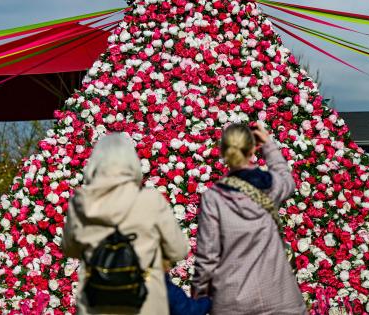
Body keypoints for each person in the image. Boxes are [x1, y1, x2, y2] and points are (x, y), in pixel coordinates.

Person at [62, 133, 189, 315]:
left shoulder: (81, 203)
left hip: (95, 304)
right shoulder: (150, 200)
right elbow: (178, 250)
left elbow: (70, 249)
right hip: (145, 305)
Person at [192, 123, 307, 315]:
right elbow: (286, 177)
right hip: (278, 297)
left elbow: (207, 256)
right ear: (253, 148)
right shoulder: (273, 186)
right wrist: (268, 145)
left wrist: (198, 295)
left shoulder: (215, 198)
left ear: (223, 151)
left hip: (232, 301)